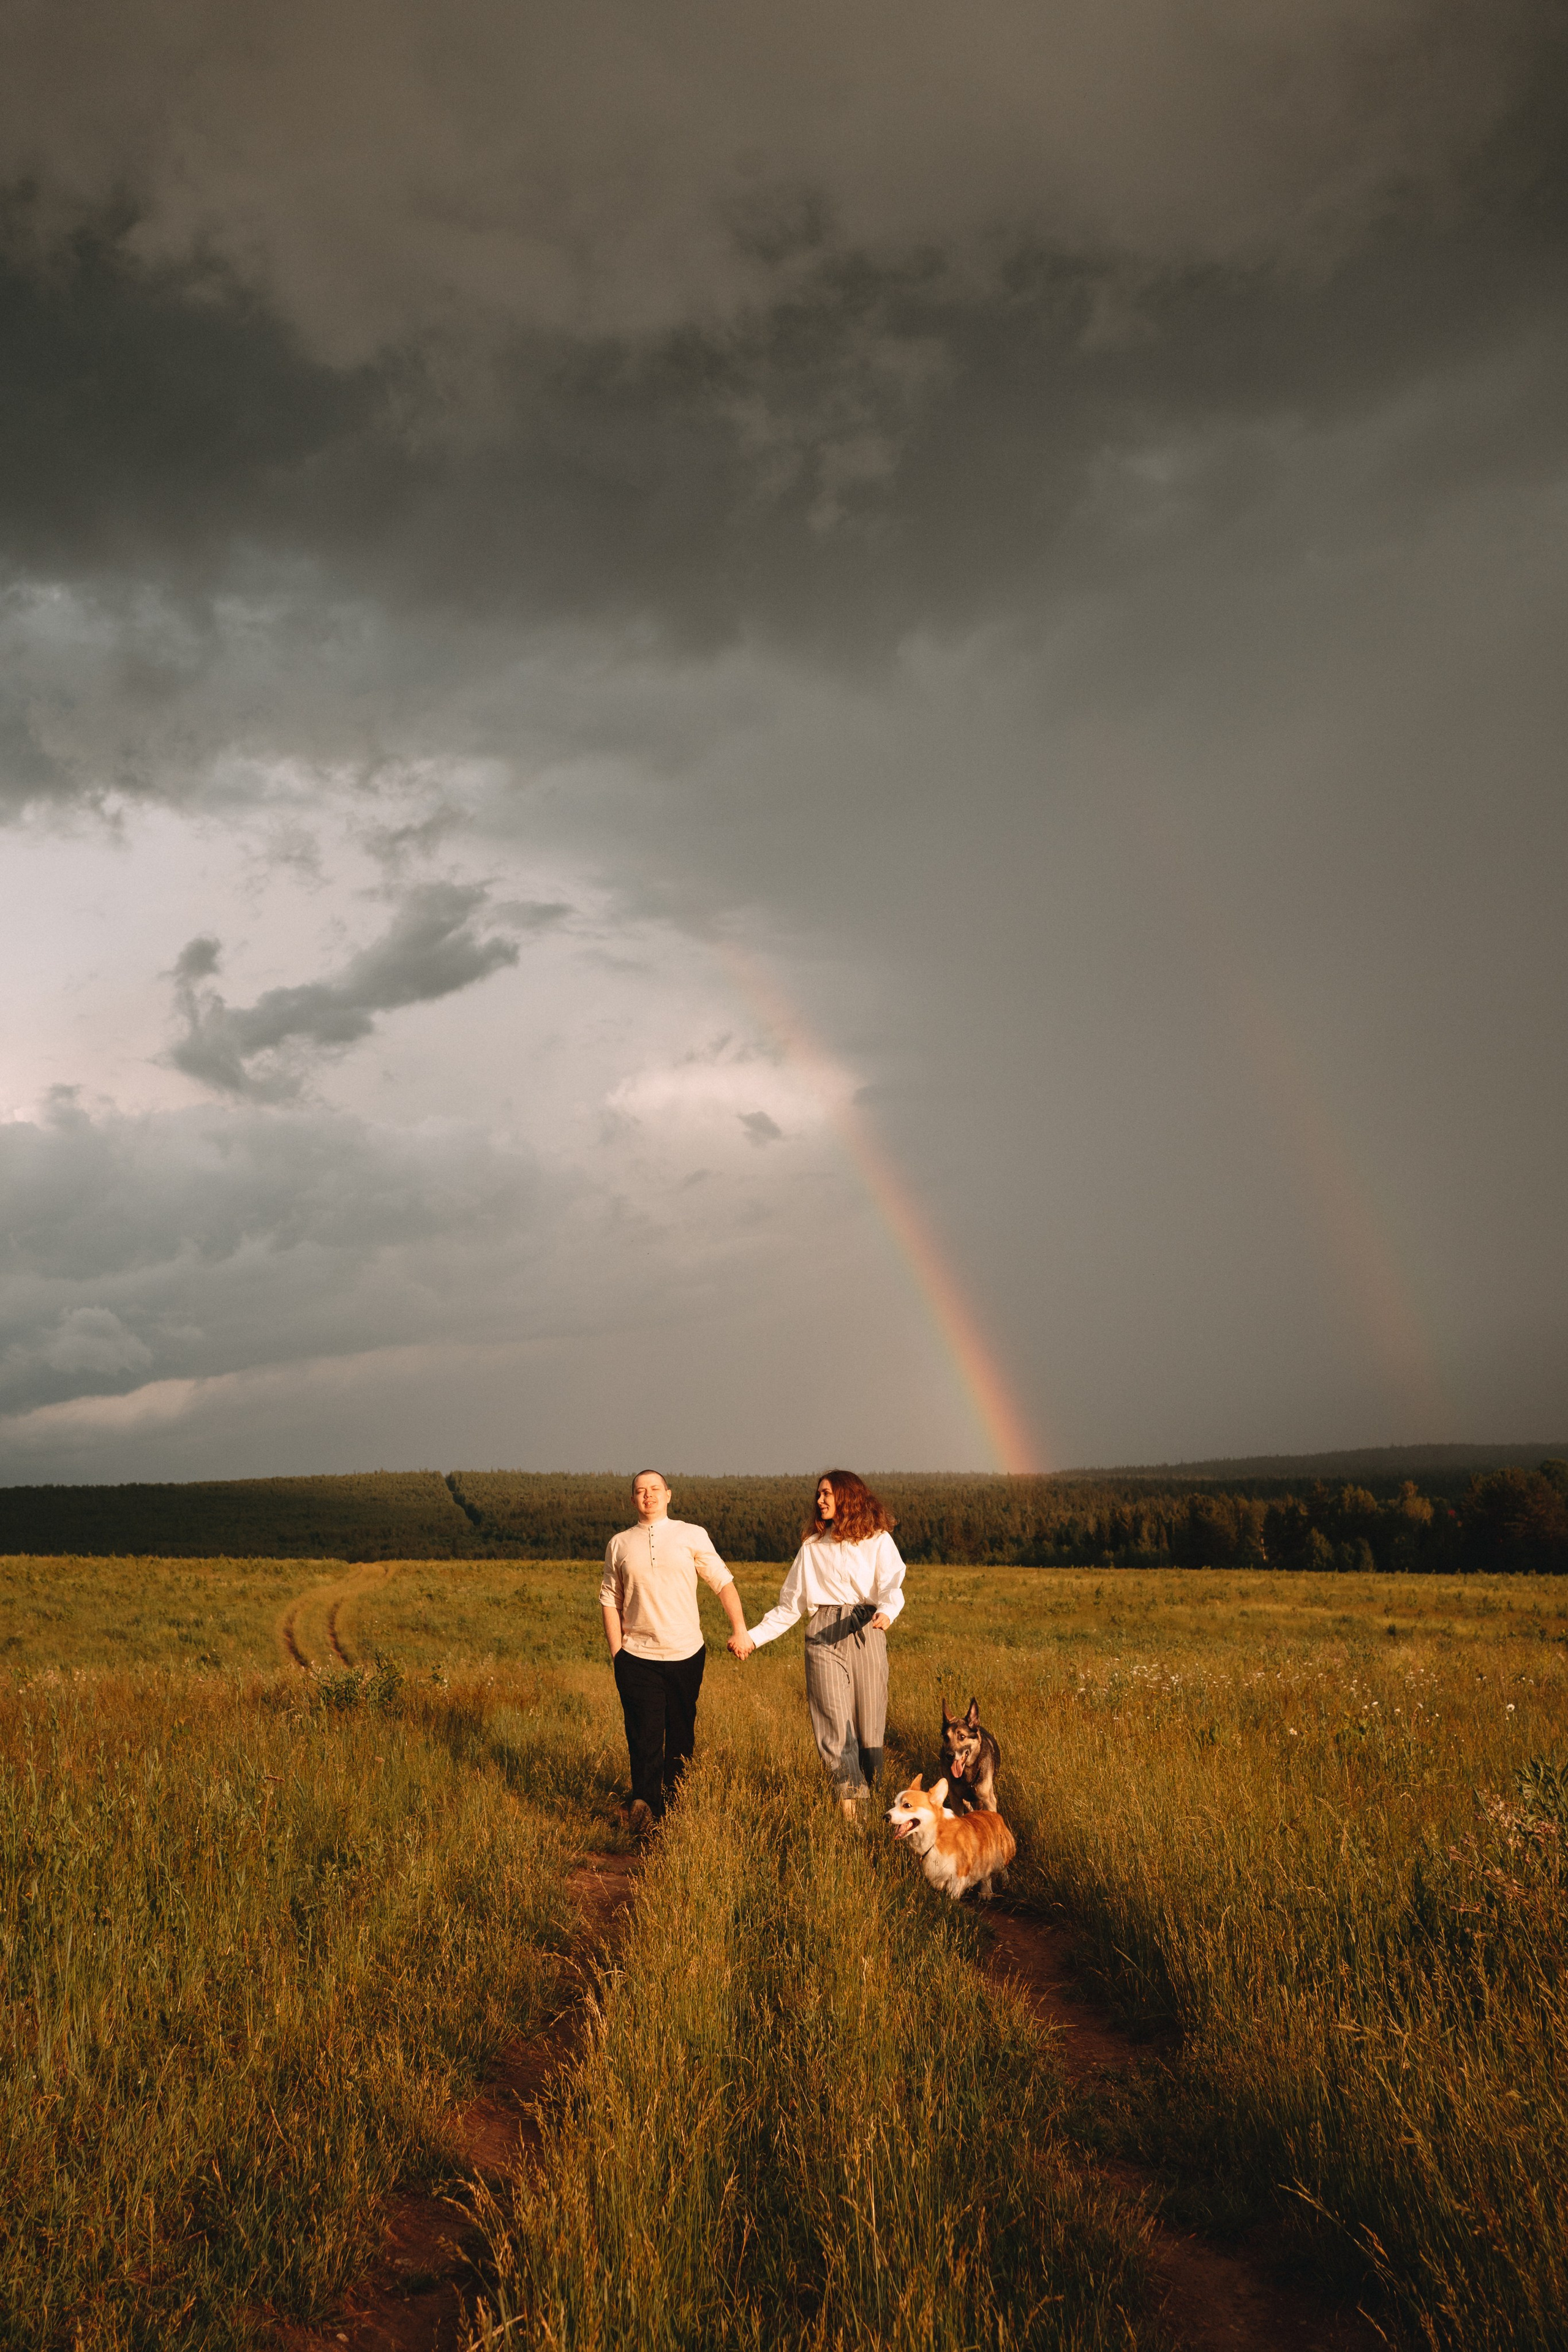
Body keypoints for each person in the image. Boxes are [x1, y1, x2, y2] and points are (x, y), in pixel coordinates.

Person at [729, 1469, 905, 1819]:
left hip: (867, 1627)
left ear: (848, 1497)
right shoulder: (811, 1548)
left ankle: (875, 1805)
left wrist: (887, 1611)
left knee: (870, 1725)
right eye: (819, 1494)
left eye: (827, 1494)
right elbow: (789, 1606)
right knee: (832, 1722)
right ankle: (852, 1810)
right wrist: (752, 1638)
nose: (820, 1500)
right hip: (823, 1631)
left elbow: (891, 1584)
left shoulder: (878, 1540)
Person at [601, 1469, 749, 1837]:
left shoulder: (691, 1534)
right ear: (632, 1499)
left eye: (655, 1489)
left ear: (669, 1495)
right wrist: (618, 1654)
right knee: (644, 1733)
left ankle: (674, 1807)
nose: (648, 1495)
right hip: (637, 1656)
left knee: (681, 1732)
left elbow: (723, 1582)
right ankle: (644, 1808)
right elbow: (610, 1600)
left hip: (686, 1653)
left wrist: (740, 1628)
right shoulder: (619, 1544)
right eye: (640, 1490)